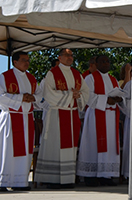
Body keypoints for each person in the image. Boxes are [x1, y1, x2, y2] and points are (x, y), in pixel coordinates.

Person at [36, 48, 90, 188]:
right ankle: (52, 179)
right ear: (59, 57)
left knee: (70, 148)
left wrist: (79, 95)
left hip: (71, 114)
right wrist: (69, 95)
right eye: (66, 55)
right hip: (57, 114)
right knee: (55, 145)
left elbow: (86, 91)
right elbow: (48, 94)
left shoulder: (76, 74)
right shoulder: (52, 73)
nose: (70, 58)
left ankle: (67, 179)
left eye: (71, 55)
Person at [77, 54, 122, 186]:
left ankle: (106, 175)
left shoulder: (113, 80)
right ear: (96, 64)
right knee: (93, 144)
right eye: (103, 61)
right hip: (96, 115)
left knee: (109, 146)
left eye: (107, 61)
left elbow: (118, 93)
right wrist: (106, 99)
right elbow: (87, 96)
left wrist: (119, 99)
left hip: (111, 116)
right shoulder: (90, 78)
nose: (106, 63)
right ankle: (90, 176)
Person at [0, 51, 38, 190]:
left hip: (27, 117)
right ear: (14, 62)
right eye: (23, 60)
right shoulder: (4, 77)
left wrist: (32, 98)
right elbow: (0, 96)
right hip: (11, 117)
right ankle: (3, 182)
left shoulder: (31, 78)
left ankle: (20, 182)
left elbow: (39, 95)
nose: (27, 62)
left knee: (25, 150)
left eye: (28, 60)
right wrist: (21, 98)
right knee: (7, 150)